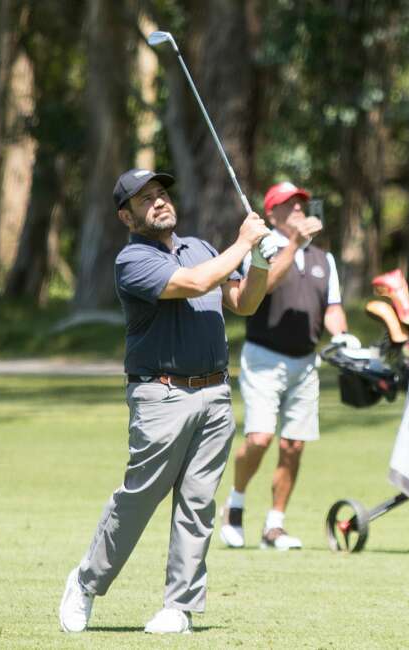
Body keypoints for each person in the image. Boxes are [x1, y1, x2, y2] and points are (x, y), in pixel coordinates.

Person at [58, 168, 275, 635]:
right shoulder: (132, 260)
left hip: (215, 394)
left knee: (197, 506)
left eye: (161, 194)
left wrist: (259, 261)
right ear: (127, 216)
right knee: (140, 497)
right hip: (162, 393)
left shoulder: (200, 248)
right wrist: (244, 241)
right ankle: (86, 582)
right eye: (145, 199)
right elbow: (194, 284)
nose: (158, 202)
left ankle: (179, 606)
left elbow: (244, 301)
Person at [219, 181, 357, 550]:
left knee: (294, 445)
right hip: (264, 357)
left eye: (302, 204)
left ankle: (274, 526)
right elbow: (259, 290)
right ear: (273, 213)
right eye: (289, 205)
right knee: (260, 438)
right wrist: (294, 244)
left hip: (306, 362)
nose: (299, 210)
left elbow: (332, 307)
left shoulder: (323, 259)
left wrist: (341, 335)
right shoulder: (261, 250)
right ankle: (235, 504)